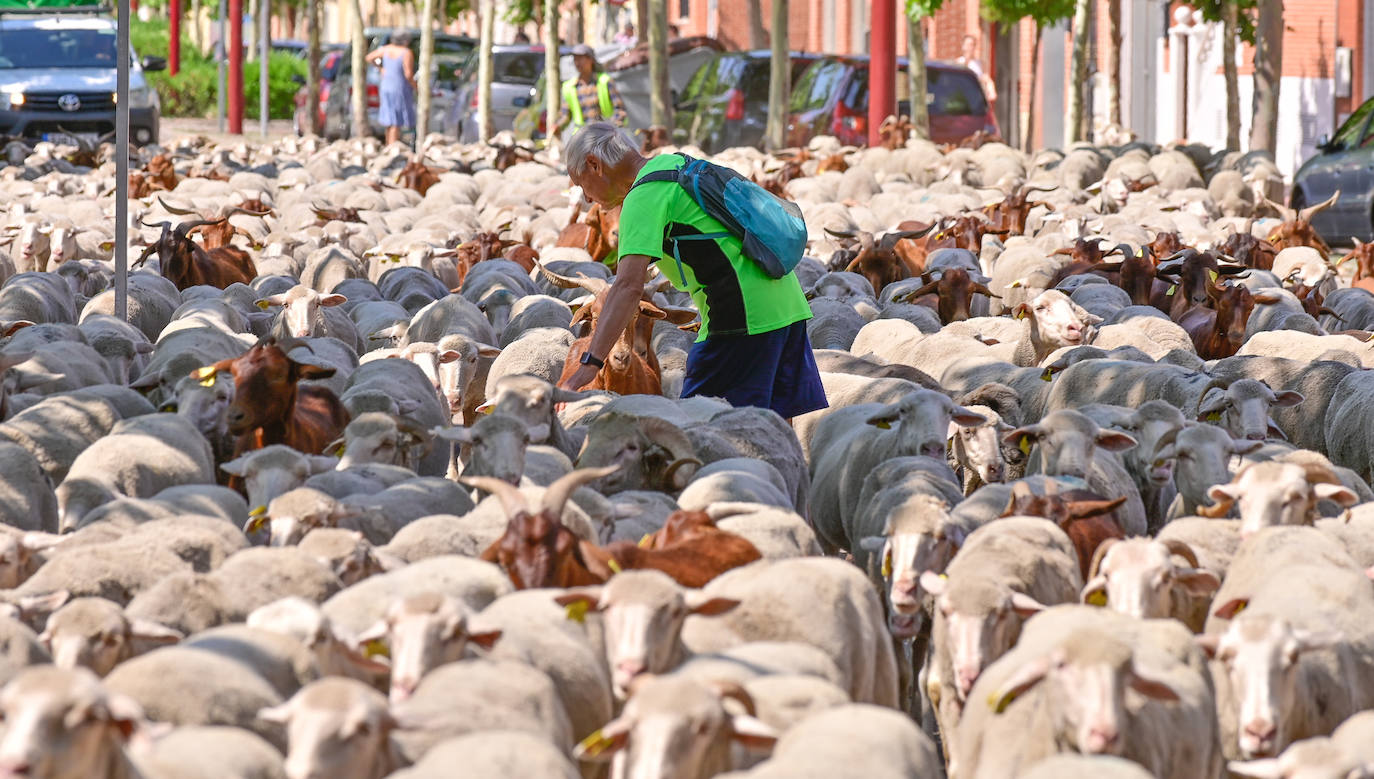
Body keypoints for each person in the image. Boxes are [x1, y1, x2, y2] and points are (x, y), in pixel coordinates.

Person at [558, 123, 827, 421]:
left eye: (581, 184)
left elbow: (627, 288)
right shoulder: (672, 165)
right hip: (786, 306)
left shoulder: (643, 196)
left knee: (701, 432)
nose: (586, 199)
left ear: (595, 165)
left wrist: (590, 364)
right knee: (772, 434)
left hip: (741, 322)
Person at [557, 44, 628, 138]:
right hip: (582, 136)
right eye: (575, 59)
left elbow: (620, 110)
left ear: (591, 60)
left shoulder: (604, 81)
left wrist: (612, 128)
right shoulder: (569, 87)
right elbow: (565, 115)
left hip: (605, 135)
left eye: (581, 59)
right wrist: (556, 127)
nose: (577, 63)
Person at [366, 32, 417, 146]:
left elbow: (369, 57)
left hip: (386, 86)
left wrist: (381, 69)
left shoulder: (386, 49)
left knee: (389, 118)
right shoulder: (406, 52)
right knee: (396, 120)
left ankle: (389, 144)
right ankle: (392, 148)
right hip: (399, 87)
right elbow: (408, 74)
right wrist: (416, 86)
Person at [956, 33, 997, 103]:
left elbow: (987, 79)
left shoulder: (980, 63)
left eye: (973, 45)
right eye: (968, 44)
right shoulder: (958, 62)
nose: (970, 47)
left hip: (976, 98)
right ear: (963, 46)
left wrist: (992, 90)